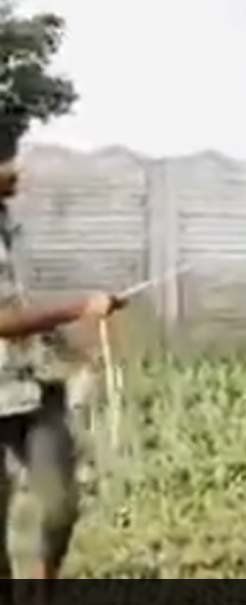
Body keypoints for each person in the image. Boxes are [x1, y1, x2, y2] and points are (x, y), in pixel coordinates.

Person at [0, 129, 126, 582]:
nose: (19, 172)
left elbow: (21, 306)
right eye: (9, 162)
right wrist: (80, 308)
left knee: (60, 506)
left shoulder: (12, 226)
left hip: (31, 385)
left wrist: (73, 349)